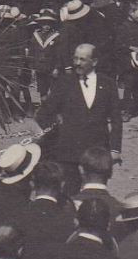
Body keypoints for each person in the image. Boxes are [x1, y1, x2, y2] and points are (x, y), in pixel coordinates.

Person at [34, 42, 124, 171]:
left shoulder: (108, 84)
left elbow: (116, 119)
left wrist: (115, 149)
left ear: (94, 62)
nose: (77, 63)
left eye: (82, 59)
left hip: (97, 151)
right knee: (71, 188)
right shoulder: (64, 83)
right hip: (69, 152)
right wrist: (59, 133)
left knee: (95, 188)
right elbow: (43, 114)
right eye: (75, 58)